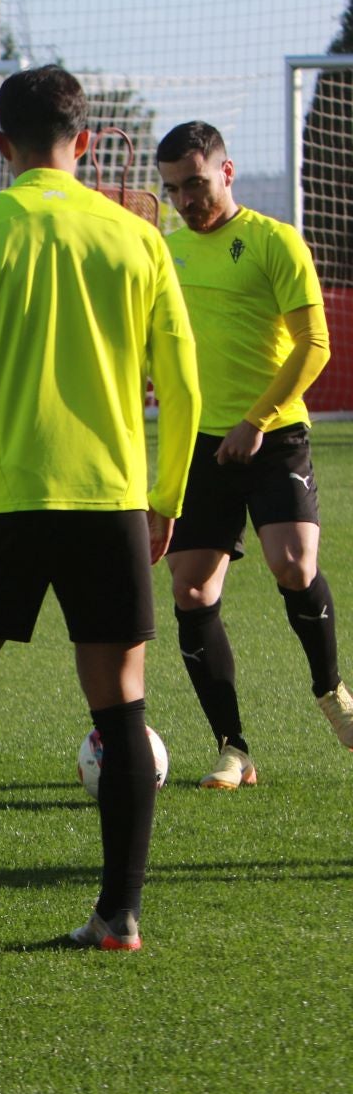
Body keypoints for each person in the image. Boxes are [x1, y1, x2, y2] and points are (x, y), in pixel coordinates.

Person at [0, 65, 199, 956]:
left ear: (0, 146)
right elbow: (182, 385)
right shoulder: (140, 237)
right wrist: (167, 497)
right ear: (87, 141)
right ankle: (119, 914)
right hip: (109, 502)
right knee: (121, 711)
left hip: (3, 502)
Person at [154, 121, 348, 791]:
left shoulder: (273, 242)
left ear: (227, 173)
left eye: (197, 184)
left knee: (293, 563)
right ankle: (233, 749)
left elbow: (314, 343)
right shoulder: (165, 252)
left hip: (273, 434)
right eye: (175, 189)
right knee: (191, 589)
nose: (187, 199)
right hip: (199, 444)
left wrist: (255, 420)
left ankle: (332, 692)